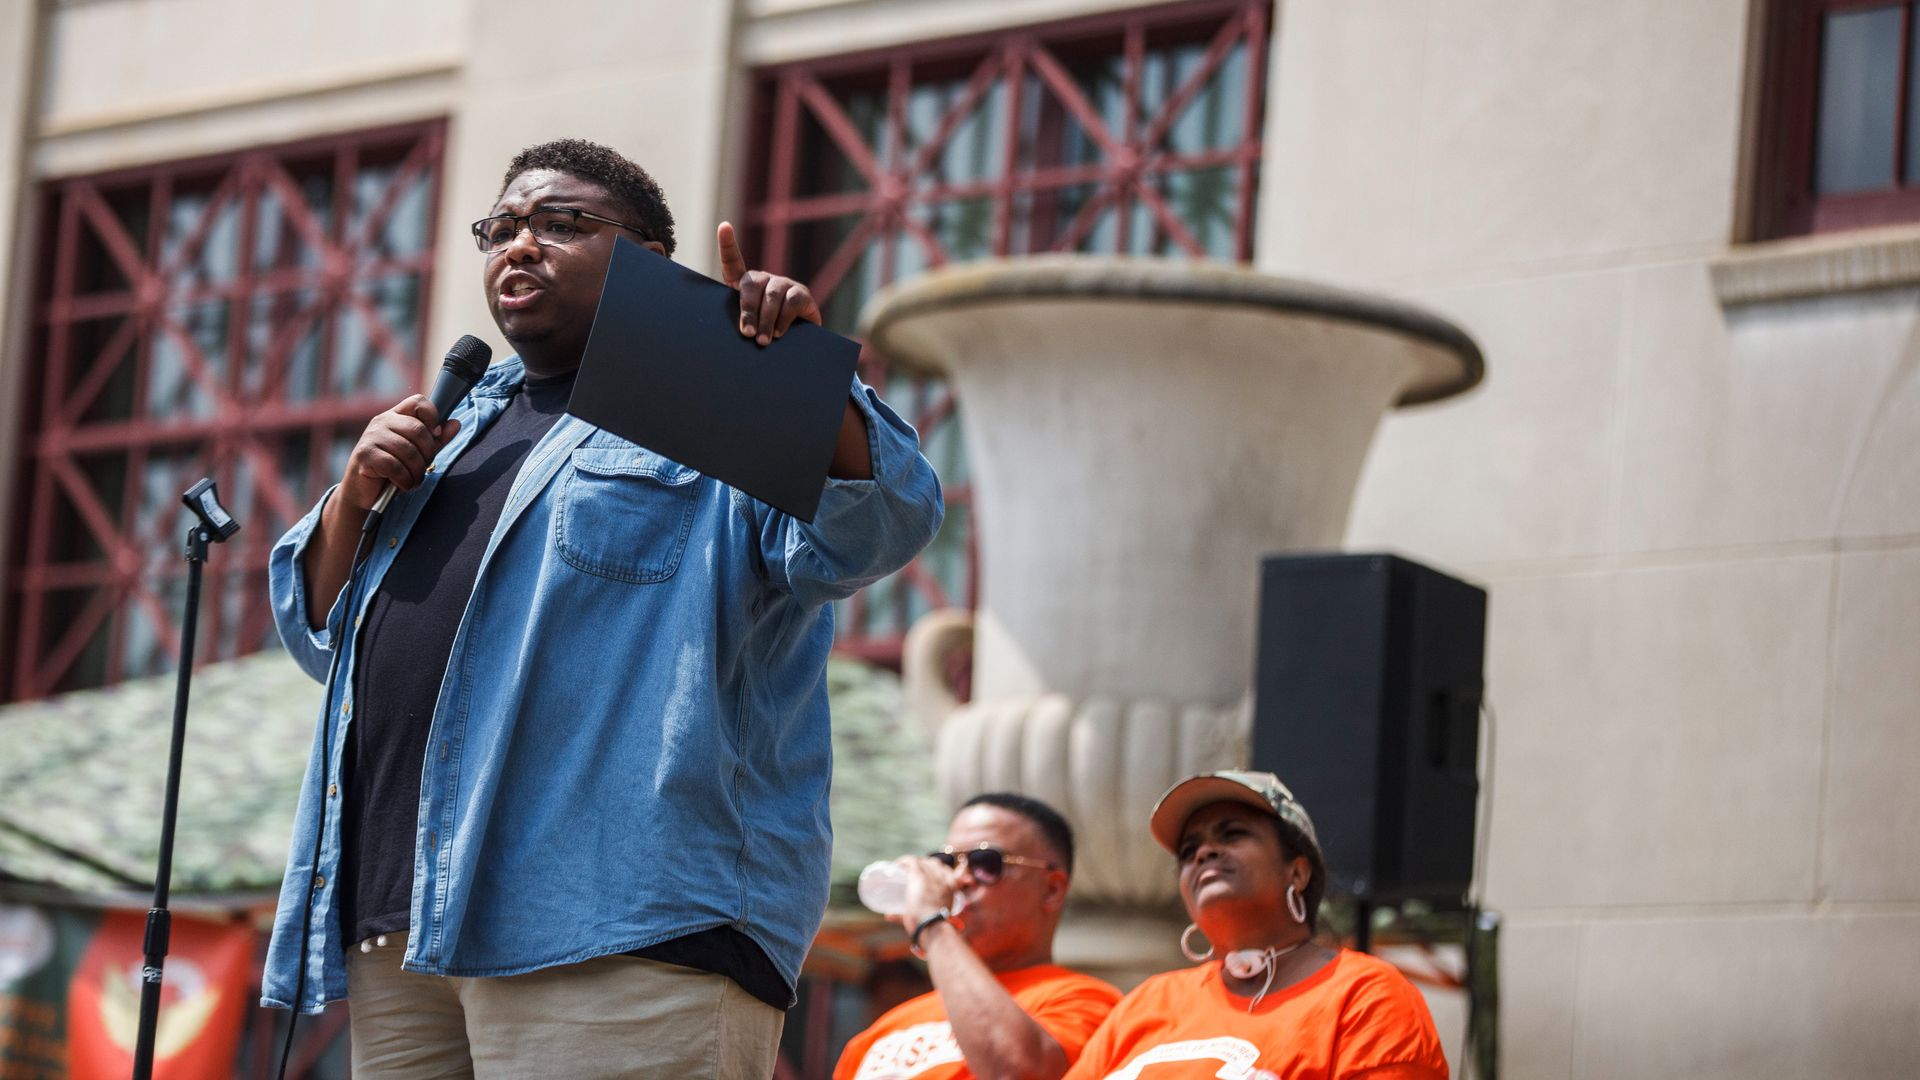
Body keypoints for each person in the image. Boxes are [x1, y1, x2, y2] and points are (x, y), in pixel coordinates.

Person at [260, 137, 944, 1077]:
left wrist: (794, 384)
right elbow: (320, 635)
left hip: (620, 922)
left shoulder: (713, 394)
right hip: (409, 925)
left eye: (562, 223)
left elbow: (882, 525)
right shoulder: (455, 430)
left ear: (652, 262)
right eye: (500, 229)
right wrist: (350, 500)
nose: (520, 245)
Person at [1063, 771, 1448, 1080]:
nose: (1204, 853)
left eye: (1232, 834)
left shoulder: (1364, 996)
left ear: (1296, 872)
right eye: (1187, 851)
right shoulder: (1148, 1001)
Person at [835, 794, 1121, 1080]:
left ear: (1052, 889)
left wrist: (931, 925)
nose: (960, 879)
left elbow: (1017, 1072)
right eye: (947, 862)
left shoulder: (1087, 1002)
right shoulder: (880, 1032)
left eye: (985, 863)